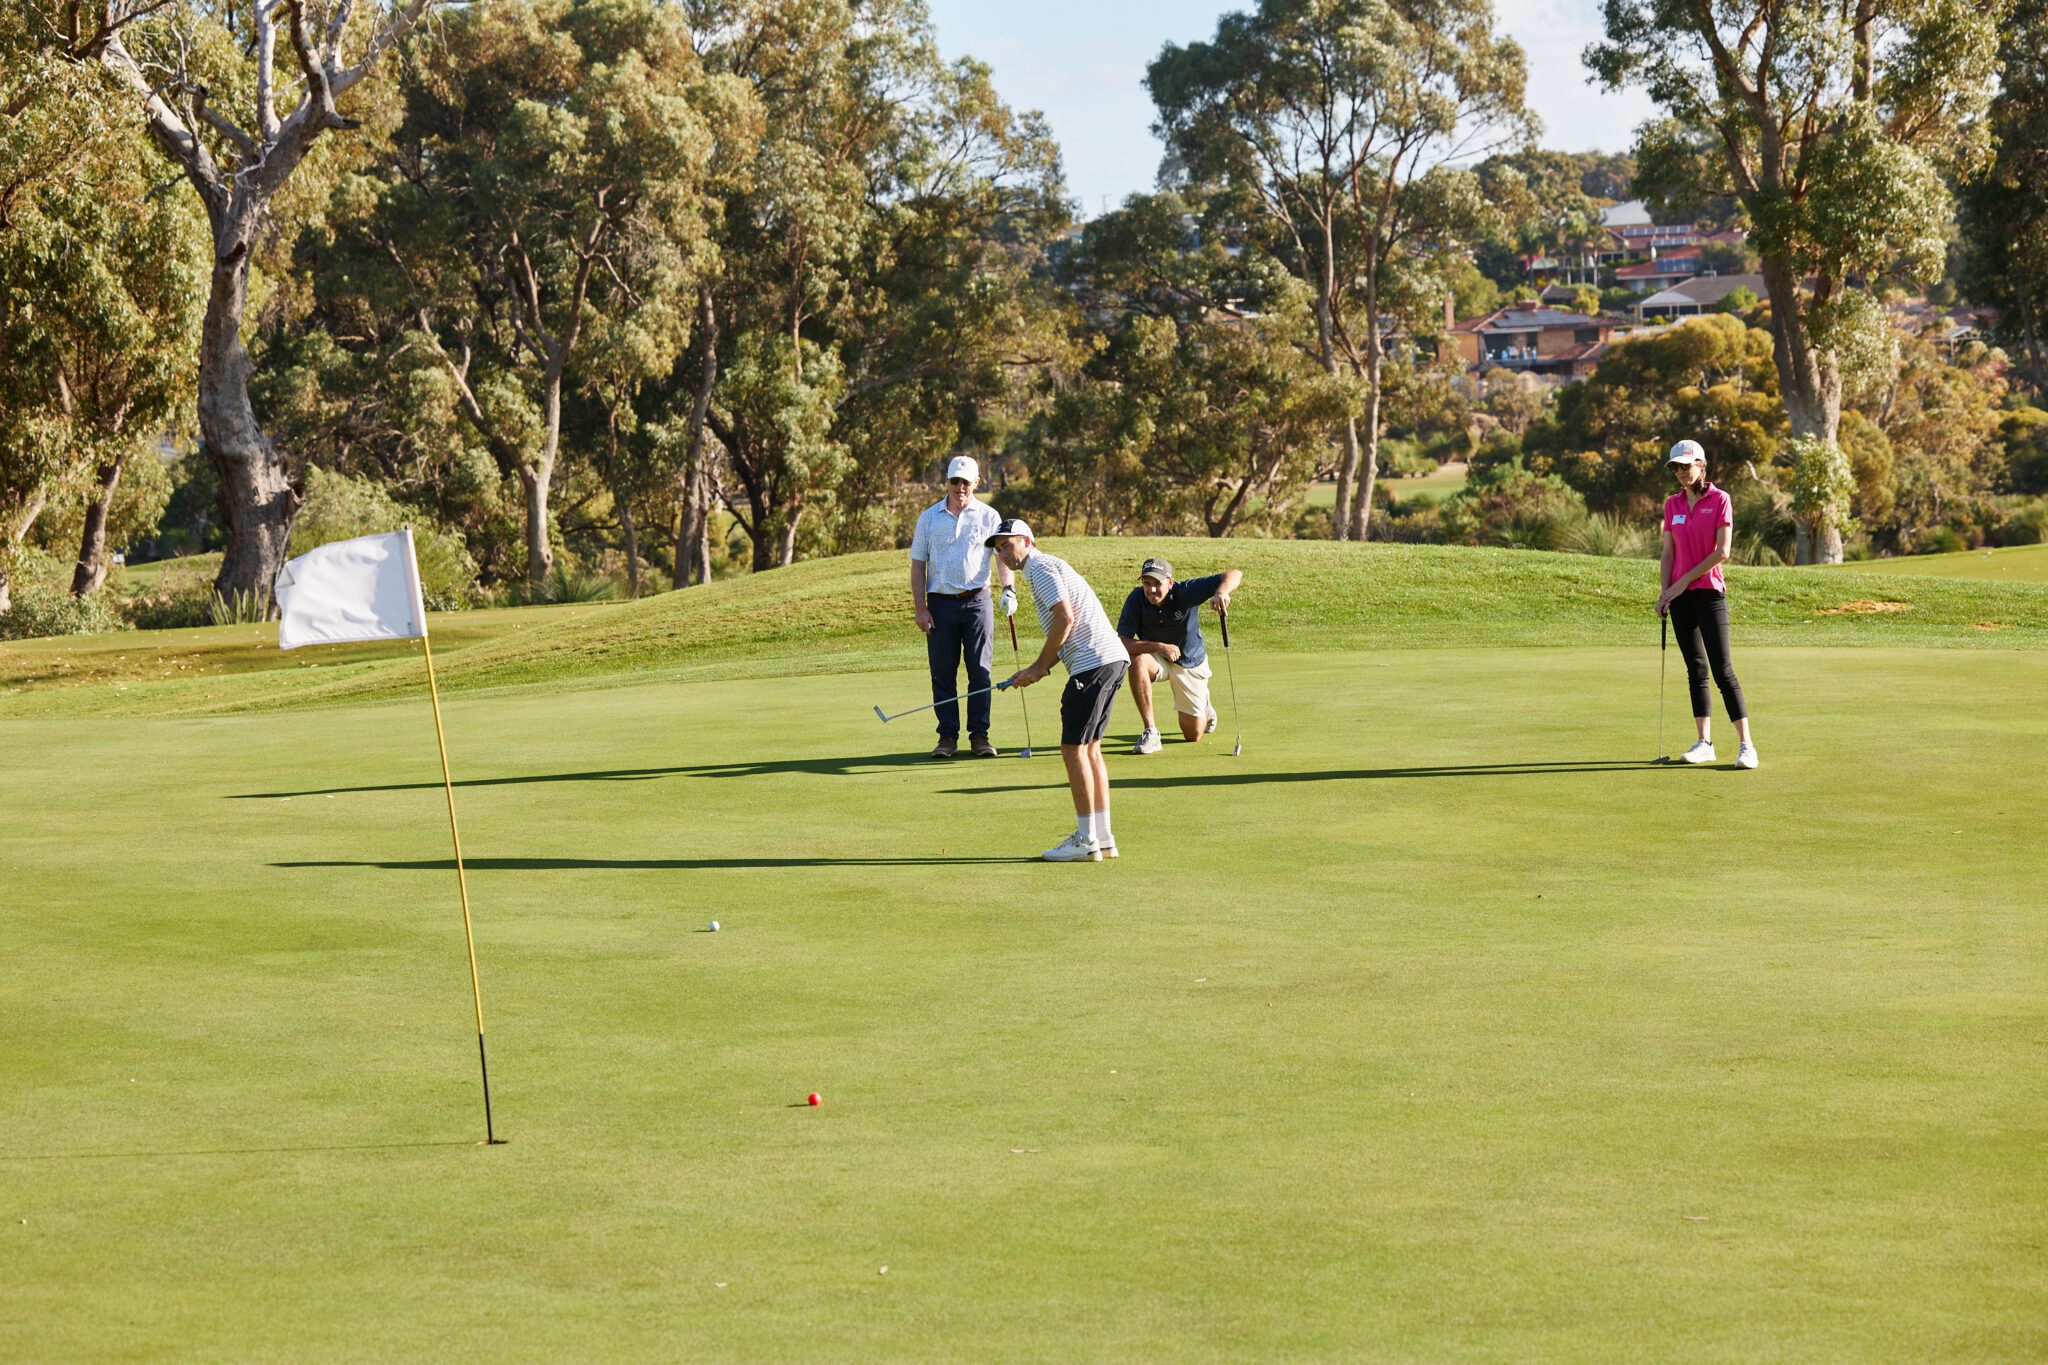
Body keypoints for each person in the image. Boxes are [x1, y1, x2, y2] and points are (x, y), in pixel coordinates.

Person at [989, 519, 1129, 862]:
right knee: (1090, 750)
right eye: (998, 548)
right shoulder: (1047, 566)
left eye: (1008, 544)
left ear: (1027, 540)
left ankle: (1086, 840)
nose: (1003, 553)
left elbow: (1065, 618)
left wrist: (1039, 667)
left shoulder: (1040, 567)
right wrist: (1037, 668)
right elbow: (1066, 625)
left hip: (1093, 663)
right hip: (1109, 660)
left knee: (1072, 750)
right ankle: (1102, 838)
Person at [1657, 439, 1758, 769]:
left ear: (1701, 465)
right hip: (1680, 598)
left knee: (1722, 670)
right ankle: (1705, 743)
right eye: (1675, 467)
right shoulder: (1672, 504)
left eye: (1686, 466)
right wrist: (1666, 593)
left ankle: (1746, 746)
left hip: (1709, 593)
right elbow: (1668, 553)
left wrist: (1683, 582)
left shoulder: (1719, 499)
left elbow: (1722, 552)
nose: (1680, 472)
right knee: (1696, 670)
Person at [908, 456, 1015, 759]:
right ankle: (947, 737)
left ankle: (980, 736)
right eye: (955, 481)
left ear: (976, 483)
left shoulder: (989, 516)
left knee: (980, 672)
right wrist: (921, 608)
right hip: (940, 604)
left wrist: (1008, 589)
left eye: (966, 482)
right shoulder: (929, 518)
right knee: (943, 674)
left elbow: (1002, 556)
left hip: (978, 602)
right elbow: (918, 565)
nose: (960, 487)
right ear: (947, 482)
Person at [1116, 556, 1242, 753]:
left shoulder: (1186, 591)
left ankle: (1205, 705)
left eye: (1157, 583)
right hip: (1158, 657)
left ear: (1170, 582)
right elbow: (1122, 642)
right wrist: (1158, 647)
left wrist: (1221, 592)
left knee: (1193, 735)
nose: (1151, 589)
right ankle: (1151, 731)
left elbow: (1234, 574)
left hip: (1189, 662)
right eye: (1147, 583)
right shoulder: (1136, 598)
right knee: (1137, 659)